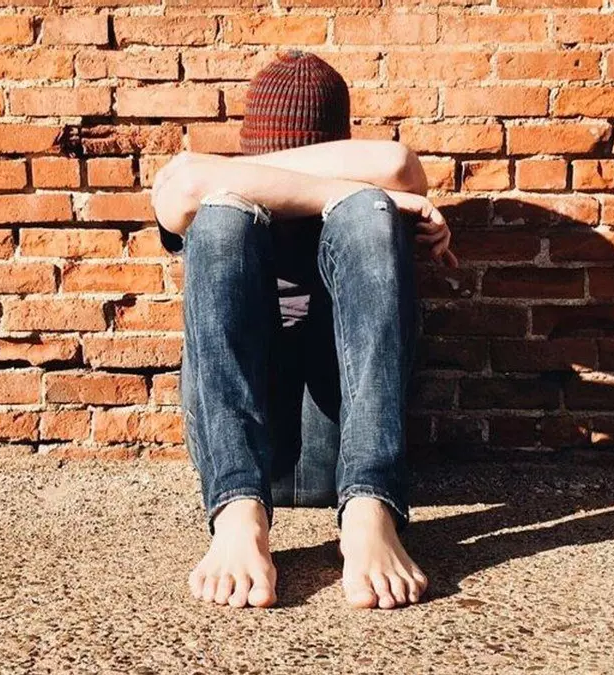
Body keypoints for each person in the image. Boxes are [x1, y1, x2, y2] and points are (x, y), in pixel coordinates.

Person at [149, 49, 458, 610]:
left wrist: (367, 199)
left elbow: (396, 163)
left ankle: (370, 511)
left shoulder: (358, 200)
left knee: (366, 215)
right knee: (220, 218)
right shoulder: (220, 198)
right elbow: (187, 185)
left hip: (340, 449)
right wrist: (354, 190)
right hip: (238, 454)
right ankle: (238, 516)